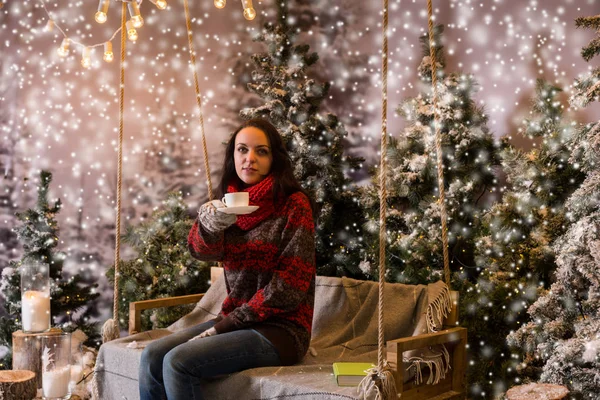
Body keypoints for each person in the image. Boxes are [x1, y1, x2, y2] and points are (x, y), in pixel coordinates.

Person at [138, 118, 316, 400]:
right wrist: (210, 225)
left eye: (261, 151)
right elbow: (201, 252)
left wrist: (228, 324)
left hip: (280, 329)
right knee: (151, 355)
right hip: (234, 319)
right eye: (242, 149)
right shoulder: (228, 203)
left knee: (177, 362)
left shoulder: (293, 204)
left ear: (274, 159)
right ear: (233, 156)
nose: (250, 158)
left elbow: (289, 286)